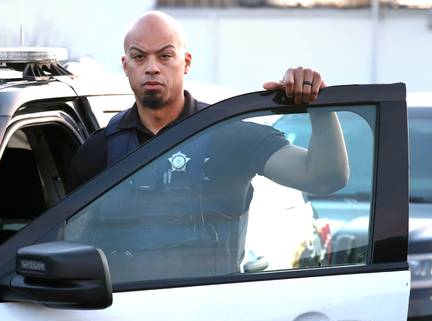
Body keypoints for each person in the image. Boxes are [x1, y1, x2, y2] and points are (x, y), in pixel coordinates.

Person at [66, 10, 349, 280]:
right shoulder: (98, 151)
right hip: (118, 318)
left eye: (165, 55)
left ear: (186, 62)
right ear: (126, 65)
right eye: (139, 57)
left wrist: (320, 106)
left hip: (210, 318)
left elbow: (324, 177)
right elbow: (66, 246)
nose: (152, 67)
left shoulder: (229, 136)